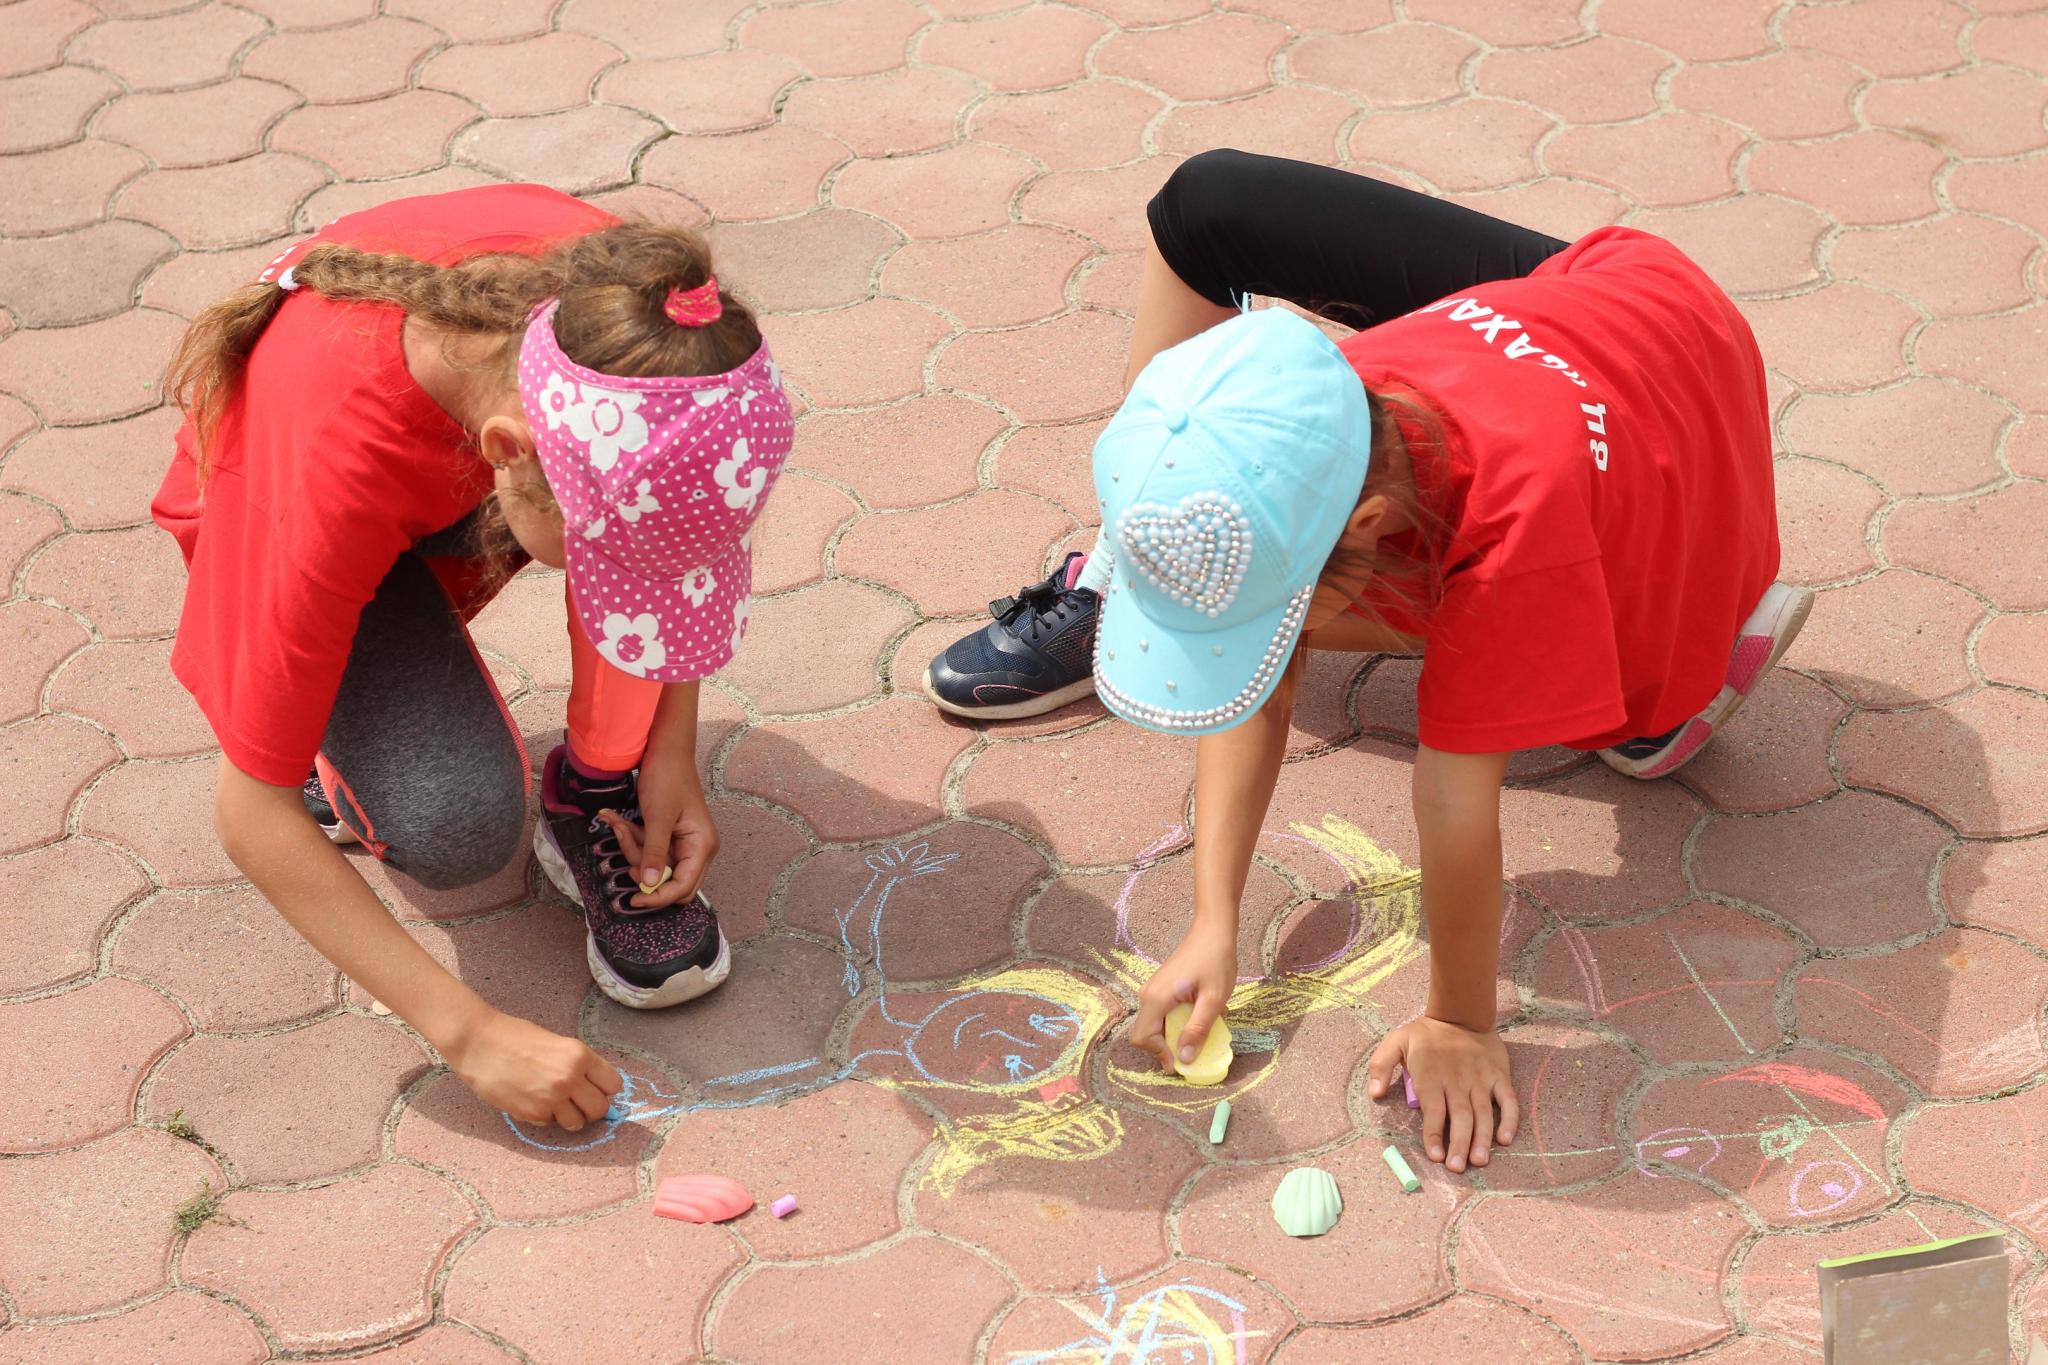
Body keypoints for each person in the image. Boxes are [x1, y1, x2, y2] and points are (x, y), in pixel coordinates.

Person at [924, 149, 1810, 1175]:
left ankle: (1683, 669)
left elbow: (1453, 805)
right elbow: (1262, 667)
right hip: (1619, 307)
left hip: (1657, 447)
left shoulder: (1517, 537)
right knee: (1303, 591)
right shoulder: (1312, 408)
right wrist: (1215, 921)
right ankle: (1635, 628)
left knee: (1594, 684)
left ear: (1377, 522)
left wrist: (1463, 1022)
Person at [155, 184, 793, 1130]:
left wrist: (666, 755)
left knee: (622, 550)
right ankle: (344, 742)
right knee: (453, 822)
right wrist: (470, 1034)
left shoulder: (644, 321)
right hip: (294, 507)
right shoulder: (325, 476)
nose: (632, 595)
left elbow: (669, 561)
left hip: (469, 465)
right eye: (608, 563)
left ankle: (594, 784)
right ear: (506, 455)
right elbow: (250, 813)